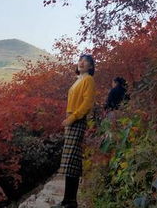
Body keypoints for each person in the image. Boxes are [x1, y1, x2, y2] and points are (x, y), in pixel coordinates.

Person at [54, 54, 96, 208]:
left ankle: (70, 201)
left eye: (86, 61)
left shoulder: (88, 80)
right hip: (71, 119)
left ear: (91, 66)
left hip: (77, 120)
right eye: (80, 60)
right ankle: (69, 201)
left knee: (72, 160)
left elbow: (87, 104)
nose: (82, 63)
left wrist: (72, 118)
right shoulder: (78, 80)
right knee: (71, 162)